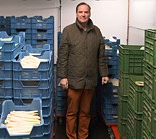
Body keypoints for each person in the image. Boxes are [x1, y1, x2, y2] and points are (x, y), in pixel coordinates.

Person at [57, 2, 109, 139]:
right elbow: (62, 56)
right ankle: (71, 136)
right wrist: (63, 76)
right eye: (80, 12)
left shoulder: (97, 31)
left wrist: (104, 73)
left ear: (90, 13)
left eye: (86, 12)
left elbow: (101, 55)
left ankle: (83, 136)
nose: (83, 14)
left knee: (86, 112)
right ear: (76, 14)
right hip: (74, 79)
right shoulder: (68, 31)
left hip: (90, 80)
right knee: (72, 112)